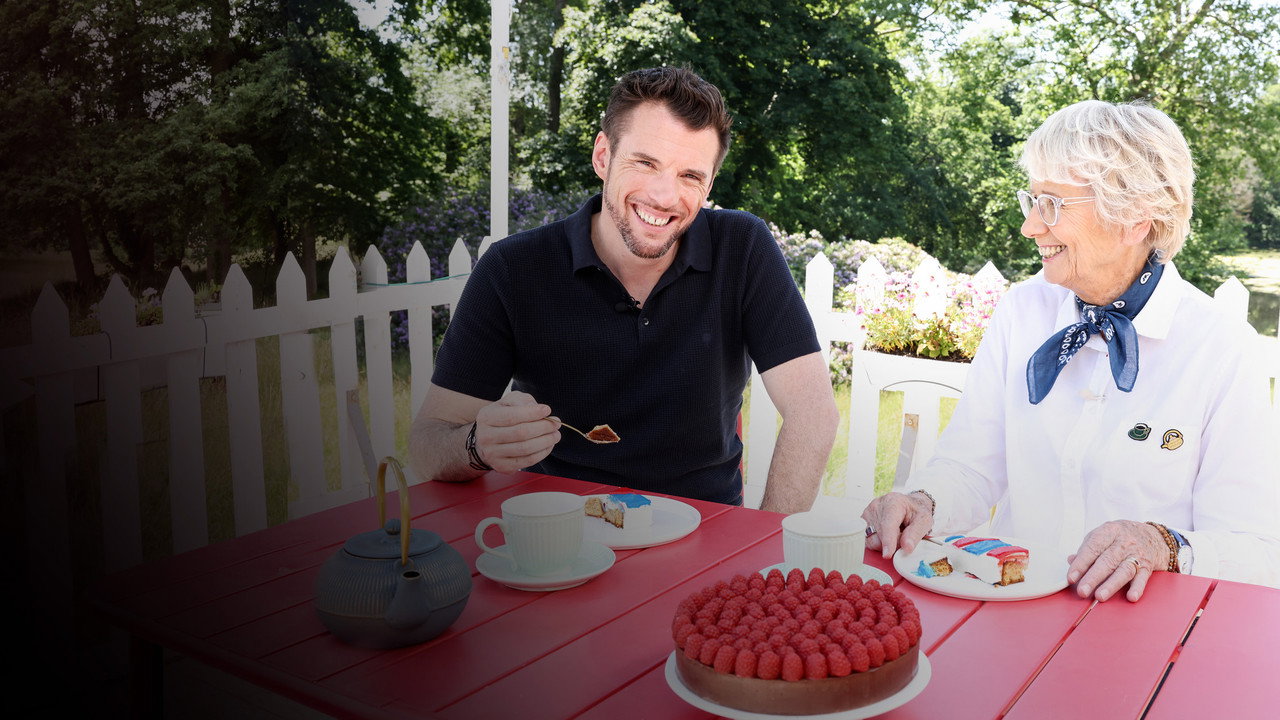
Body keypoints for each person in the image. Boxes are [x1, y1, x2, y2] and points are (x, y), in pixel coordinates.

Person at [862, 99, 1280, 600]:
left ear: (1134, 218)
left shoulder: (1222, 350)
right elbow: (971, 466)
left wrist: (1162, 545)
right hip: (1013, 611)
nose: (1030, 227)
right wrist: (923, 502)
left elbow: (1252, 546)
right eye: (1032, 200)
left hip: (1149, 634)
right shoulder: (1022, 312)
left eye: (1053, 204)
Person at [408, 66, 839, 513]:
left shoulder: (743, 246)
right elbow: (428, 441)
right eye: (645, 162)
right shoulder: (513, 268)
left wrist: (763, 549)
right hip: (560, 535)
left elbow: (813, 413)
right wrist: (476, 446)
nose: (664, 196)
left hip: (706, 531)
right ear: (602, 156)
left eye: (690, 176)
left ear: (709, 185)